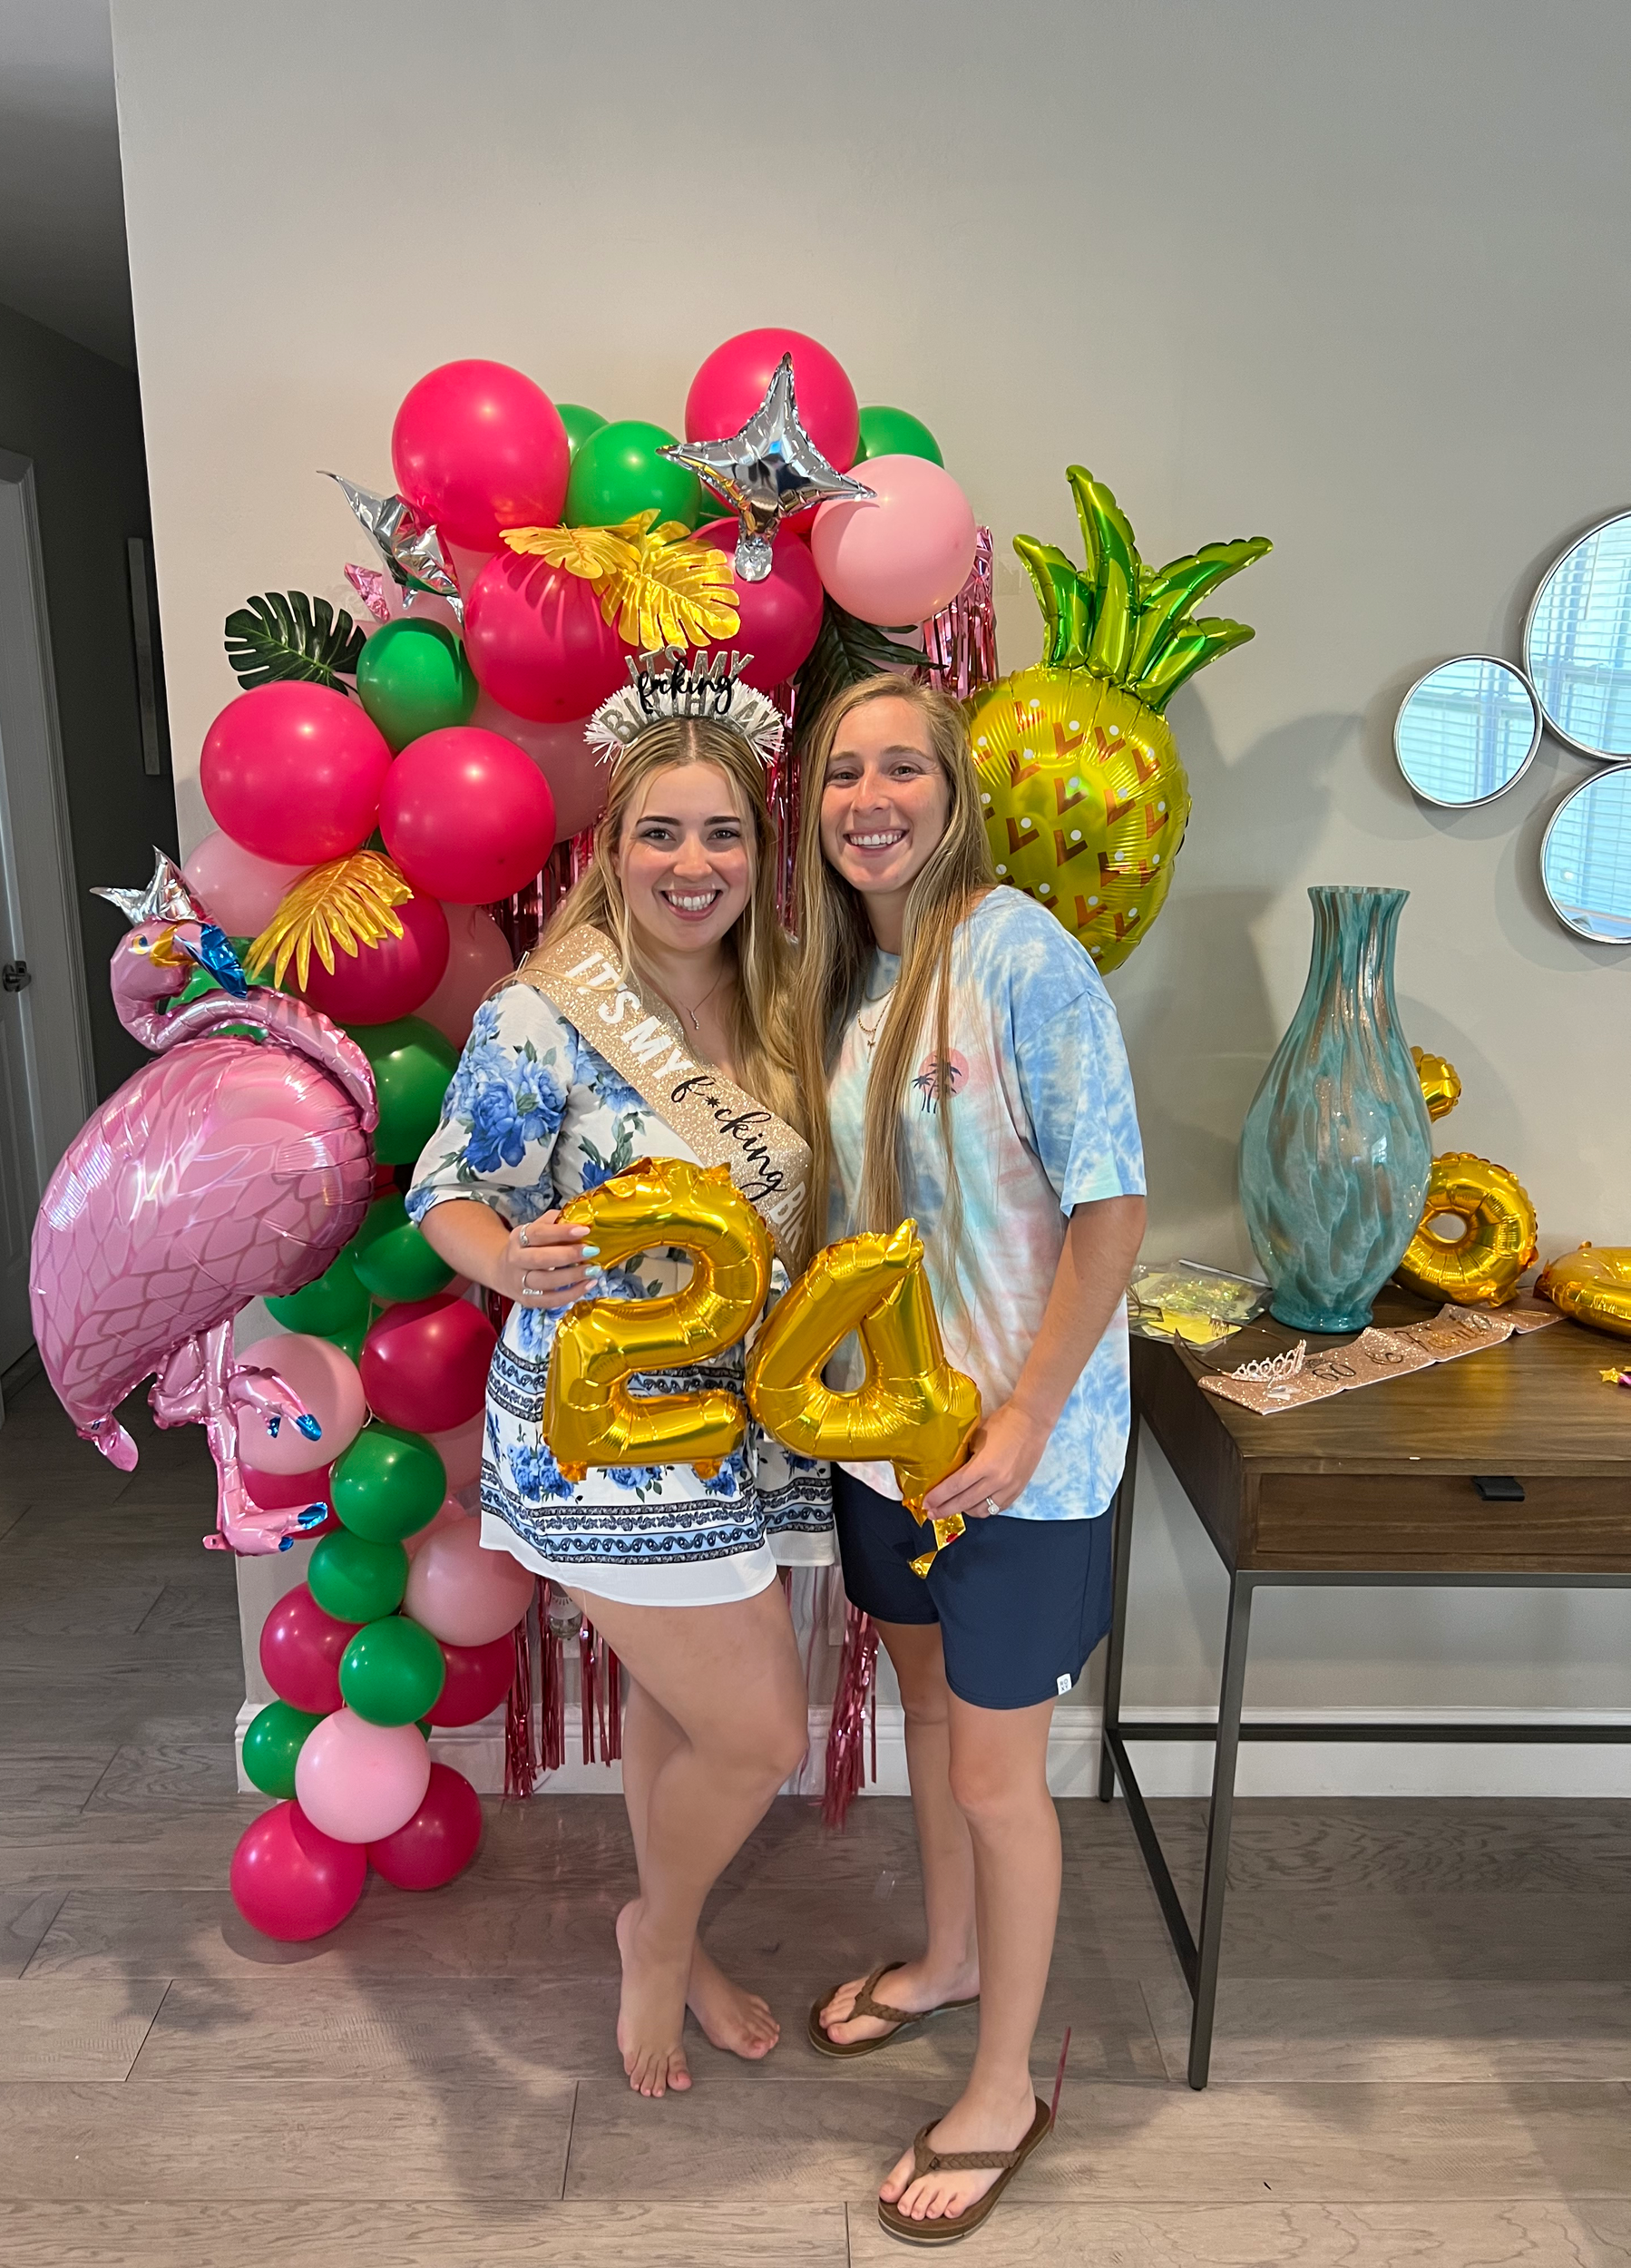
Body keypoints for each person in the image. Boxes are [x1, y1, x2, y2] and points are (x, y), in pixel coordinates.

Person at [407, 672, 830, 2099]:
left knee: (677, 1707)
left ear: (757, 856)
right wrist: (505, 1261)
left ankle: (682, 1933)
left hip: (737, 1426)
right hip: (602, 1430)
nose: (692, 865)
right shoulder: (546, 1014)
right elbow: (448, 1192)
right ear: (612, 849)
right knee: (761, 1732)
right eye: (661, 833)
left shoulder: (786, 1005)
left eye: (721, 834)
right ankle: (655, 1935)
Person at [793, 676, 1147, 2243]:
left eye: (902, 770)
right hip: (892, 1451)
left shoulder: (1020, 954)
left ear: (954, 794)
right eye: (842, 772)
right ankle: (945, 1962)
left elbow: (1111, 1210)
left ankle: (1006, 2083)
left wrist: (1020, 1421)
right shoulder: (852, 981)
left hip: (1018, 1459)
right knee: (926, 1715)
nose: (870, 797)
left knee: (1000, 1773)